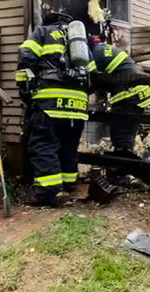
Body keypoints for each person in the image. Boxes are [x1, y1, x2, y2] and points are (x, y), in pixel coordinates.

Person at [15, 13, 95, 207]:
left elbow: (26, 58)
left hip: (49, 102)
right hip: (77, 106)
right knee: (68, 146)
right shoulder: (79, 43)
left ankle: (48, 193)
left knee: (43, 145)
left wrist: (25, 92)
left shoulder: (42, 32)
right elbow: (92, 75)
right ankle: (67, 185)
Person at [89, 35, 150, 185]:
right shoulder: (105, 50)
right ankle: (126, 172)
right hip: (135, 97)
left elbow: (92, 81)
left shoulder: (93, 55)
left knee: (122, 139)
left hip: (129, 98)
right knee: (123, 137)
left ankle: (142, 178)